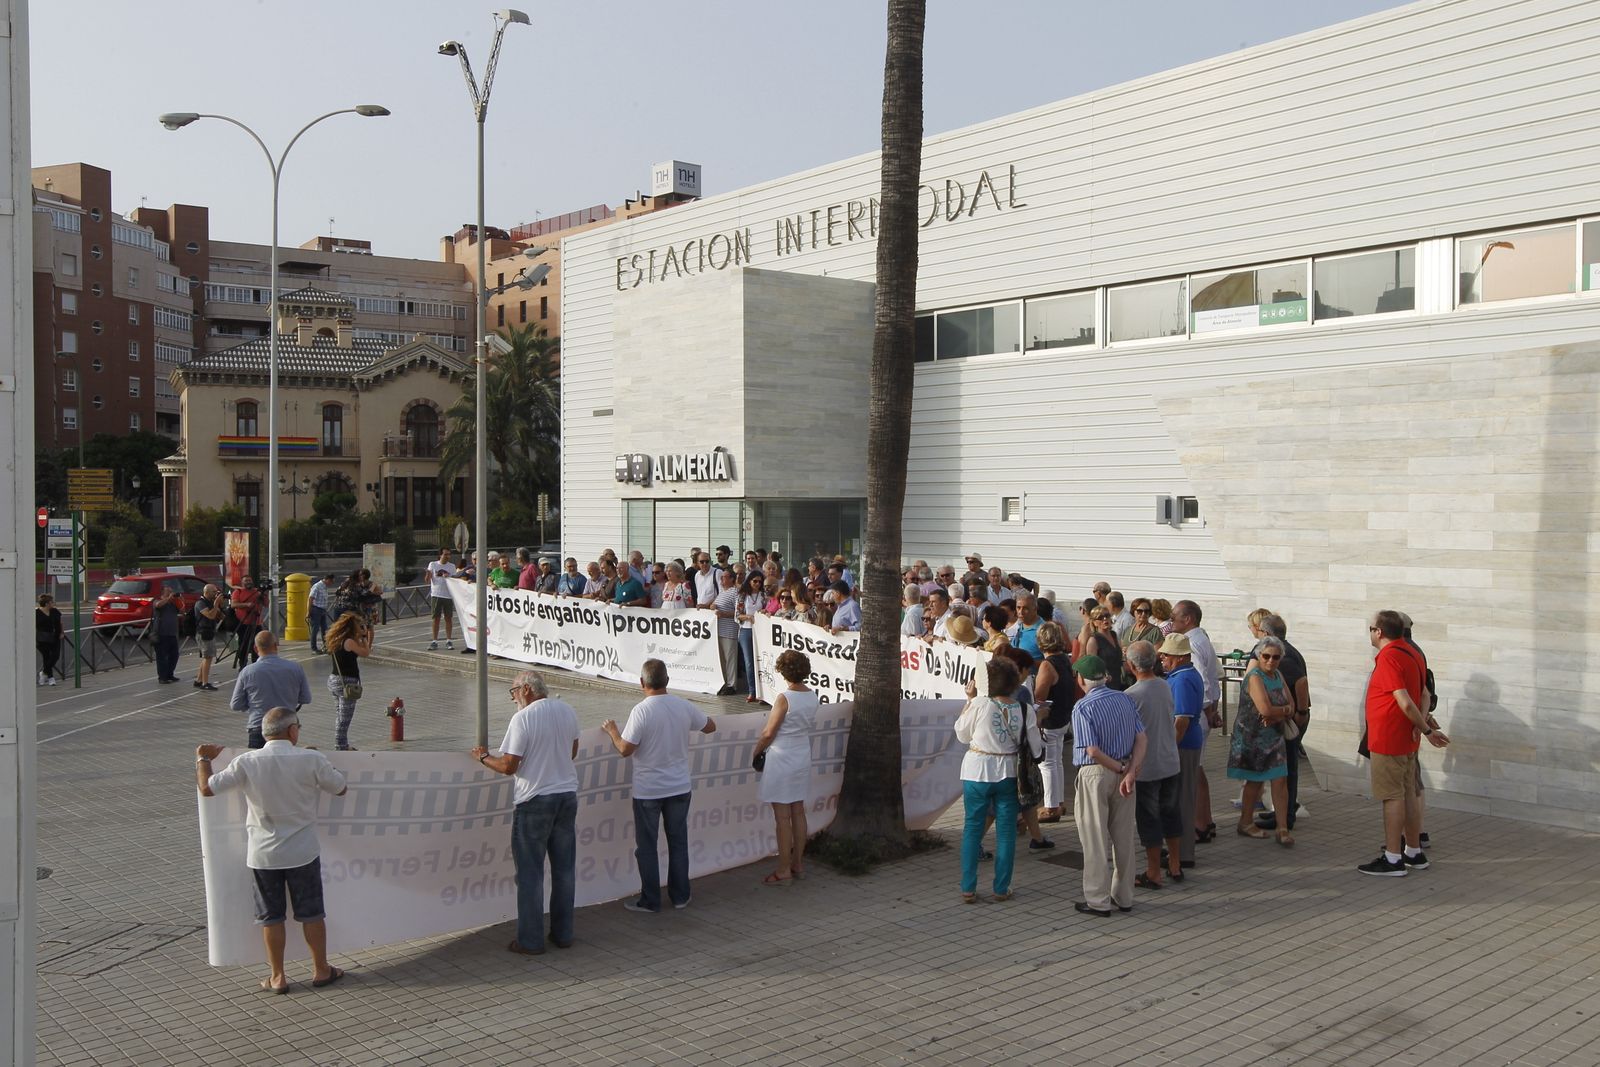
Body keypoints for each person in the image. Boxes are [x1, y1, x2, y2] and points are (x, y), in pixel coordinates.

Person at [196, 706, 348, 994]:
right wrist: (319, 760)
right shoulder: (310, 758)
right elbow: (340, 787)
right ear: (292, 730)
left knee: (271, 916)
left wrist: (203, 758)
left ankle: (278, 976)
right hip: (303, 851)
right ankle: (321, 969)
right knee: (312, 913)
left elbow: (207, 788)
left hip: (263, 854)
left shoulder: (247, 762)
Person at [472, 672, 581, 954]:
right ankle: (563, 934)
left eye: (513, 691)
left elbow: (509, 765)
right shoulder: (567, 709)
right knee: (564, 870)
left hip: (534, 800)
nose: (513, 698)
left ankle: (530, 940)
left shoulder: (523, 719)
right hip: (567, 795)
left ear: (527, 690)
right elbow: (573, 751)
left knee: (530, 874)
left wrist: (484, 757)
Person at [600, 660, 717, 912]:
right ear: (667, 680)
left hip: (649, 790)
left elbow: (624, 749)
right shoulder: (683, 706)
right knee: (678, 843)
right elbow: (710, 727)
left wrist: (612, 731)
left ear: (642, 683)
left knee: (647, 847)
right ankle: (680, 896)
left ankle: (651, 900)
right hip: (679, 786)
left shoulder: (641, 711)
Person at [1359, 611, 1449, 876]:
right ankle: (1413, 851)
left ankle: (1393, 858)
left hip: (1390, 738)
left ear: (1379, 632)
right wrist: (1421, 727)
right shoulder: (1413, 653)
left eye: (1371, 629)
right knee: (1409, 792)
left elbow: (1405, 700)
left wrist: (1424, 729)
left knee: (1392, 796)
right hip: (1407, 739)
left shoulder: (1389, 657)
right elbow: (1424, 694)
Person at [954, 656, 1039, 904]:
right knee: (1006, 831)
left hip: (977, 771)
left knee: (972, 827)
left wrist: (969, 701)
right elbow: (1035, 748)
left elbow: (961, 733)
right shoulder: (1025, 709)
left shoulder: (980, 704)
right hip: (1009, 772)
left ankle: (968, 887)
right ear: (1014, 683)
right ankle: (1001, 887)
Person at [1070, 654, 1146, 917]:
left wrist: (1119, 768)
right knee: (1123, 837)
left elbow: (1091, 750)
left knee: (1094, 839)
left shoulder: (1082, 707)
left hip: (1097, 774)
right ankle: (1124, 897)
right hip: (1125, 772)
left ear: (1081, 679)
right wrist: (1130, 771)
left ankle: (1097, 900)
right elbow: (1141, 738)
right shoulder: (1125, 698)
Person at [753, 650, 819, 884]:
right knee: (798, 810)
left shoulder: (784, 697)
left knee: (782, 817)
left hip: (782, 756)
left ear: (783, 671)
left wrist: (757, 751)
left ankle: (783, 868)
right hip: (802, 752)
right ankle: (798, 863)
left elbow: (769, 732)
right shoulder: (812, 696)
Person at [1127, 641, 1184, 887]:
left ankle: (1153, 871)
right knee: (1171, 812)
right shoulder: (1165, 685)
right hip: (1170, 760)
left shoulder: (1130, 695)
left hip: (1146, 767)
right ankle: (1175, 863)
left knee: (1149, 819)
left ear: (1131, 666)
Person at [1253, 613, 1311, 832]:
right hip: (1289, 716)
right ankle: (1282, 811)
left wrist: (1300, 713)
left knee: (1287, 769)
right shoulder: (1287, 651)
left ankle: (1286, 815)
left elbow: (1301, 682)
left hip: (1291, 718)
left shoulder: (1281, 656)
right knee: (1283, 768)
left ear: (1266, 633)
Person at [1171, 600, 1220, 841]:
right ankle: (1205, 820)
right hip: (1202, 714)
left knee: (1192, 774)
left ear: (1187, 619)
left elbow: (1204, 682)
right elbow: (1214, 680)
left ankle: (1199, 823)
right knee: (1197, 771)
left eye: (1174, 617)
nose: (1171, 622)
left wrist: (1208, 710)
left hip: (1193, 716)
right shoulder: (1202, 639)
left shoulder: (1191, 643)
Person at [231, 631, 313, 749]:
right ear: (275, 646)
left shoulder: (247, 671)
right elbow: (306, 698)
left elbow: (235, 704)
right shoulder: (295, 668)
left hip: (258, 726)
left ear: (255, 648)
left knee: (258, 765)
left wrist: (253, 706)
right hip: (287, 727)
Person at [1032, 621, 1076, 823]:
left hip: (1051, 718)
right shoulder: (1064, 660)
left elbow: (1040, 695)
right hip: (1063, 716)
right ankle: (1058, 801)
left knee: (1047, 764)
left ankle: (1050, 806)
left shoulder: (1047, 665)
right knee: (1056, 761)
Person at [324, 613, 373, 752]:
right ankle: (340, 746)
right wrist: (364, 638)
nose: (362, 628)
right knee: (345, 717)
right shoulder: (349, 642)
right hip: (346, 682)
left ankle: (341, 743)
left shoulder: (336, 639)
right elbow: (365, 653)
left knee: (340, 714)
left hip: (334, 679)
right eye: (360, 626)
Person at [736, 574, 767, 704]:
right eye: (755, 581)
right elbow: (737, 615)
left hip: (760, 631)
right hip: (746, 630)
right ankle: (752, 691)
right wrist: (749, 617)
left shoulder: (763, 596)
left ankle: (763, 692)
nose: (757, 584)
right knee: (749, 662)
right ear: (749, 581)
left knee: (762, 660)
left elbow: (767, 609)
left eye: (760, 582)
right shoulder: (743, 596)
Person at [1083, 607, 1125, 692]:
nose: (1105, 619)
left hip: (1118, 679)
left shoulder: (1114, 635)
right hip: (1104, 683)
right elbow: (1092, 666)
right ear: (1094, 622)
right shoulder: (1094, 640)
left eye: (1107, 616)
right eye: (1100, 618)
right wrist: (1104, 675)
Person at [193, 584, 226, 691]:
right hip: (203, 633)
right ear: (206, 592)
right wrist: (216, 604)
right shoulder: (200, 603)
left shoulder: (210, 603)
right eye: (213, 592)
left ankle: (198, 680)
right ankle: (205, 683)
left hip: (209, 632)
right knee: (208, 657)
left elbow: (222, 617)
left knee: (207, 657)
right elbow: (210, 615)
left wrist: (220, 605)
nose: (215, 594)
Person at [152, 578, 182, 684]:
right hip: (161, 634)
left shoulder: (173, 603)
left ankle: (170, 674)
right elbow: (158, 605)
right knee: (162, 657)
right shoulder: (157, 601)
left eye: (171, 592)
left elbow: (182, 609)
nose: (170, 594)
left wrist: (177, 599)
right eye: (168, 592)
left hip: (172, 634)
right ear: (162, 593)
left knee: (174, 655)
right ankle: (162, 677)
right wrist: (168, 598)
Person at [230, 576, 264, 669]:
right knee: (243, 645)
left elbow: (266, 603)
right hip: (243, 623)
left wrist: (265, 594)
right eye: (246, 581)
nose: (248, 582)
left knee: (257, 645)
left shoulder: (257, 592)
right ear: (242, 583)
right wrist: (246, 604)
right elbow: (233, 604)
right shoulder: (238, 592)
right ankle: (242, 665)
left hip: (257, 623)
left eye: (250, 580)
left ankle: (256, 664)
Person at [426, 548, 457, 650]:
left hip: (448, 595)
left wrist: (449, 576)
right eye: (445, 554)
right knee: (436, 618)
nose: (447, 556)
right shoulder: (433, 564)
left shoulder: (452, 566)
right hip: (436, 594)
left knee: (448, 618)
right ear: (440, 555)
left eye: (449, 554)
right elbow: (427, 580)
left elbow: (455, 580)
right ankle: (434, 641)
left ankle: (449, 640)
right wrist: (428, 575)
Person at [36, 594, 64, 686]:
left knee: (55, 656)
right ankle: (51, 678)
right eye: (52, 602)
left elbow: (60, 623)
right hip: (42, 639)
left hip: (55, 637)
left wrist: (62, 632)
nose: (53, 603)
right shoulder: (36, 613)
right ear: (47, 603)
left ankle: (43, 673)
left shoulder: (55, 611)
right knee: (46, 657)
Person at [1007, 593, 1044, 660]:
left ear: (1035, 609)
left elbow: (1052, 661)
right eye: (1018, 607)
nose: (1021, 612)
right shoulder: (1020, 625)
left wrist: (1027, 663)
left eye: (1025, 608)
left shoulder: (1044, 630)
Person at [307, 574, 333, 652]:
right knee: (315, 629)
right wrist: (308, 611)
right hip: (316, 610)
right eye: (331, 582)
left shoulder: (324, 587)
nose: (331, 584)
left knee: (324, 629)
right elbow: (310, 599)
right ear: (327, 579)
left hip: (322, 610)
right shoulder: (317, 586)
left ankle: (326, 646)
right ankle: (314, 648)